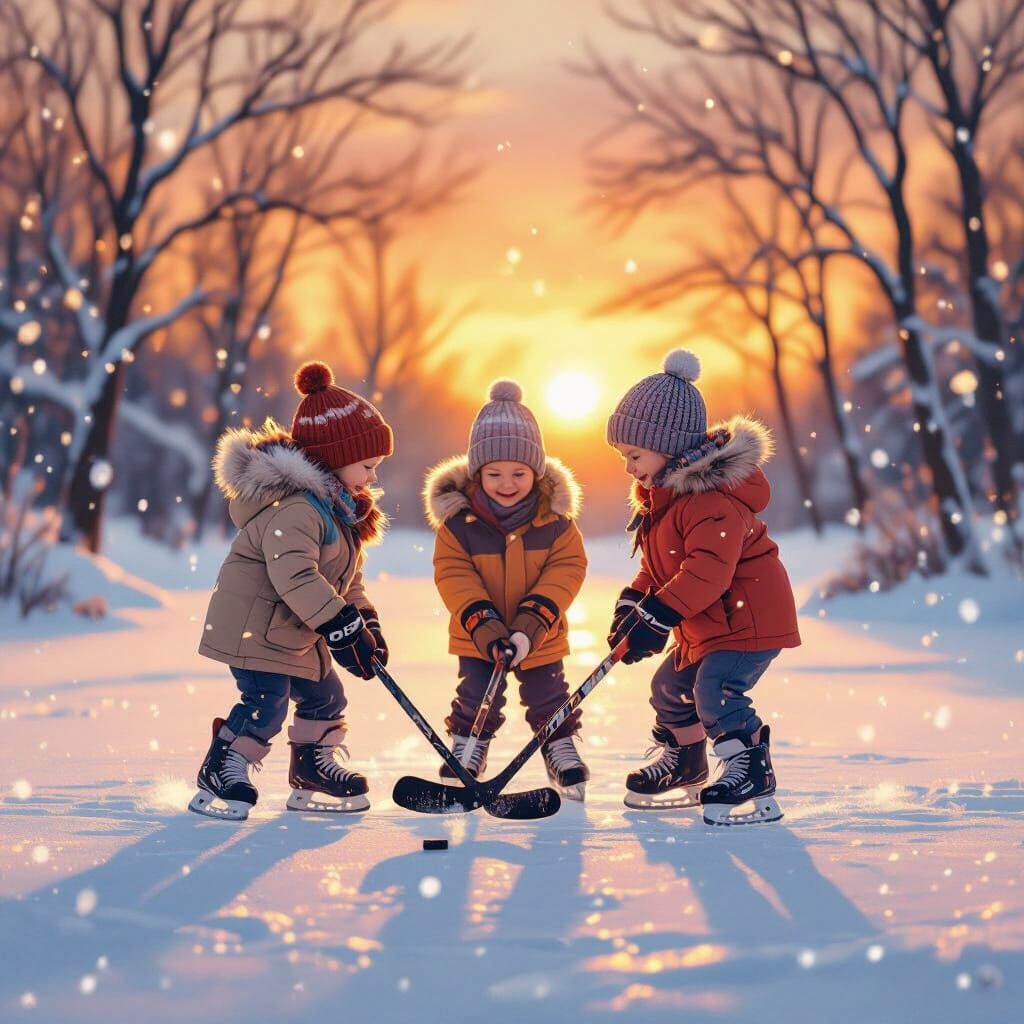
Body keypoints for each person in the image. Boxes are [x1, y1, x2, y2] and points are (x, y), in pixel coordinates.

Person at [189, 361, 392, 820]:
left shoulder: (336, 514)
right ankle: (224, 767)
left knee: (327, 699)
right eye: (367, 466)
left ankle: (311, 770)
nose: (373, 478)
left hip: (297, 632)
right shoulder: (298, 509)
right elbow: (296, 575)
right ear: (337, 459)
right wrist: (339, 627)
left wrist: (365, 623)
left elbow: (347, 580)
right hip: (257, 631)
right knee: (265, 704)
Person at [606, 349, 800, 825]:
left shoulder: (710, 502)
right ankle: (688, 763)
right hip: (707, 625)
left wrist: (659, 616)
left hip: (747, 623)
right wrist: (634, 603)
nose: (628, 467)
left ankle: (750, 770)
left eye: (634, 455)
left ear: (668, 448)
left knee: (715, 692)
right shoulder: (665, 503)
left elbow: (706, 573)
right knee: (670, 688)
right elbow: (662, 568)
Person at [424, 380, 589, 799]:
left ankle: (559, 747)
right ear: (477, 474)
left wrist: (531, 624)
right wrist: (485, 624)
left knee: (548, 693)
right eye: (494, 473)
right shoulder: (459, 527)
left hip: (541, 634)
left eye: (519, 473)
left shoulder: (556, 525)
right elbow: (453, 575)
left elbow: (567, 570)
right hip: (479, 634)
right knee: (477, 693)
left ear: (536, 471)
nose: (507, 482)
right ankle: (470, 746)